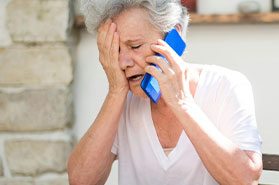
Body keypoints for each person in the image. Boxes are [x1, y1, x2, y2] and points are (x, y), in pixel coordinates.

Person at [68, 0, 263, 184]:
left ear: (172, 37)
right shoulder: (123, 98)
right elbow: (80, 181)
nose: (123, 62)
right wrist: (115, 92)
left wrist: (183, 104)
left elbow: (246, 179)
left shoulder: (226, 86)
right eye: (116, 50)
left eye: (134, 46)